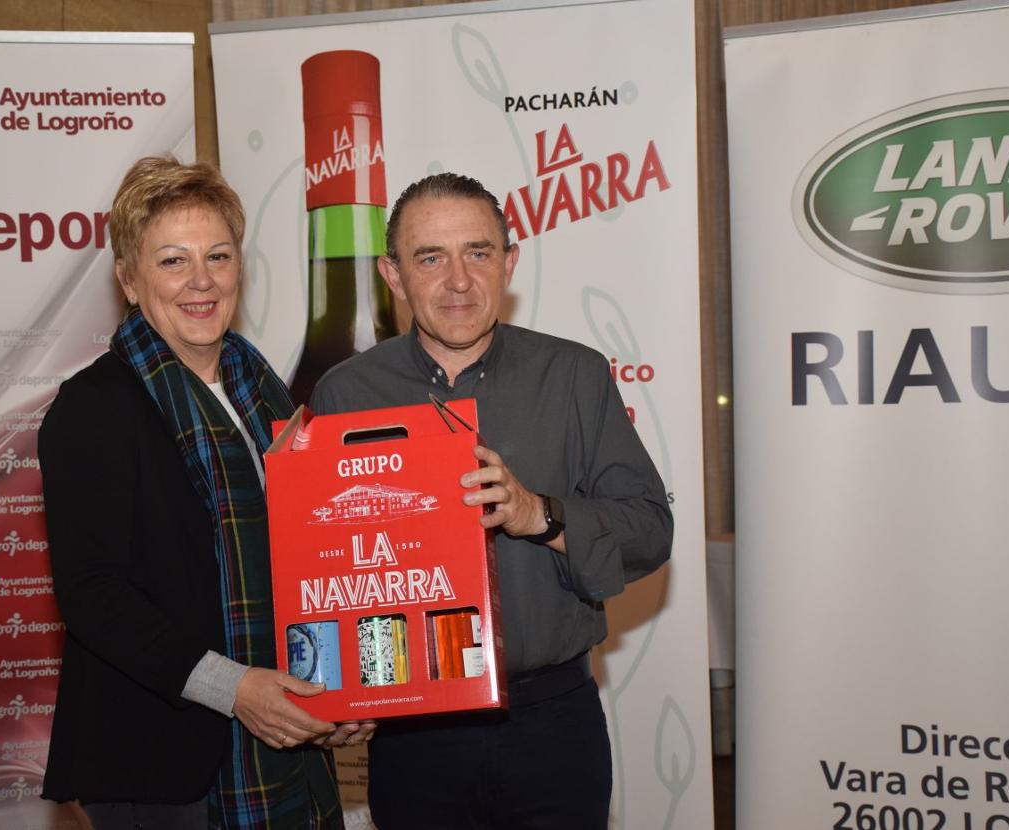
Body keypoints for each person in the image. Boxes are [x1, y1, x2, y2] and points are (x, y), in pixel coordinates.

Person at [310, 172, 673, 829]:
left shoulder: (574, 375)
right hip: (411, 737)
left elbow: (651, 529)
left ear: (509, 262)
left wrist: (542, 515)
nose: (457, 281)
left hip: (551, 726)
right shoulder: (344, 395)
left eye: (477, 253)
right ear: (392, 275)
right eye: (430, 258)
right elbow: (329, 569)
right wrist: (339, 687)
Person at [39, 156, 367, 830]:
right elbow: (93, 596)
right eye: (171, 261)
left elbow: (316, 558)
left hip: (288, 741)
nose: (201, 280)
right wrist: (237, 688)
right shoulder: (92, 407)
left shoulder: (270, 394)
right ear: (129, 279)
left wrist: (335, 686)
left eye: (218, 255)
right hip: (162, 763)